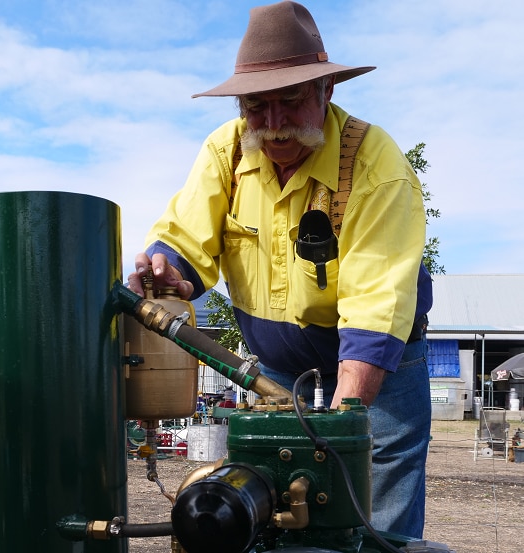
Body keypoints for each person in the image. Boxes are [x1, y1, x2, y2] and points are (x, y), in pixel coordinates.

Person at [127, 1, 432, 538]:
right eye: (255, 106)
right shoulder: (225, 152)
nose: (272, 125)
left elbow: (374, 309)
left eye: (289, 102)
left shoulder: (376, 166)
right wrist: (171, 273)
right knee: (278, 510)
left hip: (378, 369)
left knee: (374, 514)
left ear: (326, 91)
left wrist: (339, 430)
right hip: (276, 374)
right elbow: (185, 236)